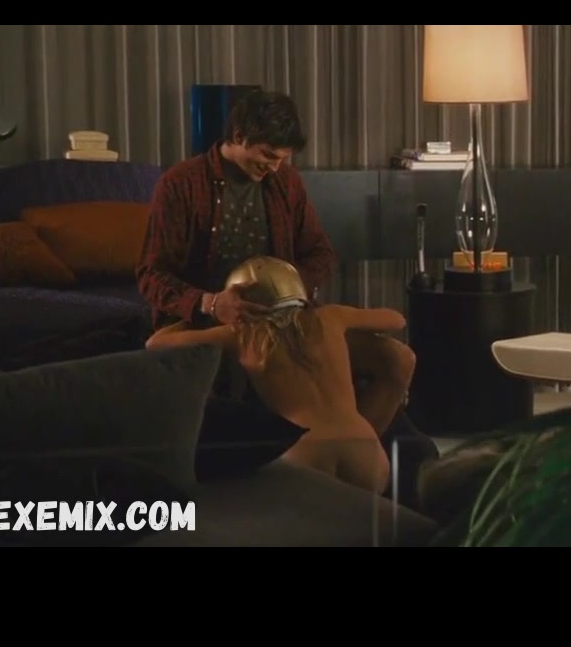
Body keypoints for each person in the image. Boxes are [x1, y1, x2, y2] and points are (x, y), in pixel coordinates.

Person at [135, 90, 432, 493]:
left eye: (282, 159)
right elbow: (151, 275)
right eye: (267, 156)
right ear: (237, 136)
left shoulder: (285, 182)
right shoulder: (181, 184)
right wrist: (211, 304)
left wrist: (290, 294)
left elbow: (320, 253)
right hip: (215, 318)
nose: (274, 167)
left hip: (286, 315)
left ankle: (354, 453)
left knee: (396, 359)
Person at [146, 256, 401, 494]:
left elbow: (156, 344)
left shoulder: (244, 334)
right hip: (364, 448)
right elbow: (396, 320)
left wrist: (209, 313)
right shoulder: (330, 317)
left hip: (303, 450)